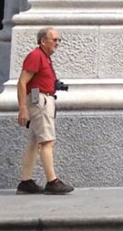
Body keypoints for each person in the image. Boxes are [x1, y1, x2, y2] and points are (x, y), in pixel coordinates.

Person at [16, 27, 74, 194]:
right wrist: (22, 108)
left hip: (42, 99)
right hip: (40, 101)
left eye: (59, 40)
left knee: (34, 142)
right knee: (47, 141)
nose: (57, 43)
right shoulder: (36, 56)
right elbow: (22, 82)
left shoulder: (44, 57)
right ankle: (52, 182)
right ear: (43, 41)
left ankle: (25, 182)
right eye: (54, 39)